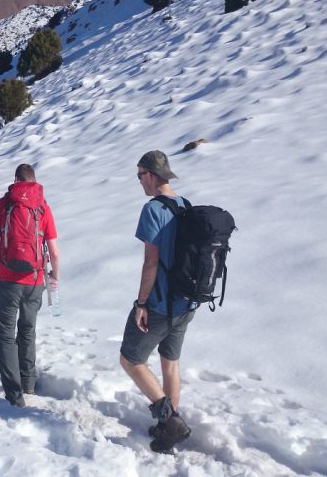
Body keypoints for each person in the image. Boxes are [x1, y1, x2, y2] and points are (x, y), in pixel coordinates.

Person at [119, 150, 194, 452]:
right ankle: (168, 427)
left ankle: (172, 422)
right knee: (170, 363)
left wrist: (141, 304)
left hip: (160, 304)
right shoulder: (185, 206)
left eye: (139, 176)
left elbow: (151, 262)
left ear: (151, 174)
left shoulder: (153, 209)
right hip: (186, 304)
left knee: (131, 359)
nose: (139, 182)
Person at [0, 164, 61, 407]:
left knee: (5, 334)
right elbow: (54, 250)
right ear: (34, 181)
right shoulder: (42, 206)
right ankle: (28, 383)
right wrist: (54, 278)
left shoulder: (6, 203)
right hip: (34, 280)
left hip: (7, 281)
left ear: (15, 180)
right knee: (27, 330)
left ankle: (14, 395)